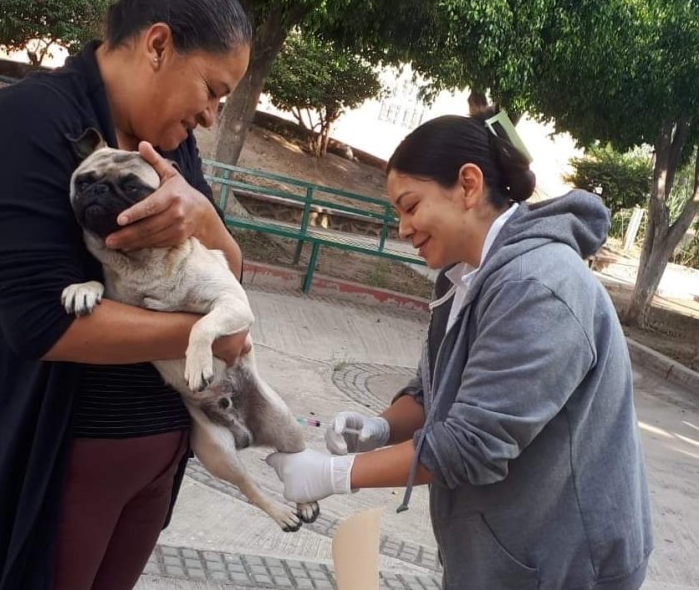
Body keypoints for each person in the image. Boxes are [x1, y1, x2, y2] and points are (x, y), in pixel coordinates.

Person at [0, 0, 252, 589]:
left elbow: (227, 271)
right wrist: (212, 336)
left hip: (151, 470)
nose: (211, 115)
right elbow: (41, 321)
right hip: (48, 469)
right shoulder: (30, 120)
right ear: (158, 45)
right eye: (212, 90)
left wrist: (205, 219)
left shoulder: (171, 146)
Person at [267, 114, 653, 589]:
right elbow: (434, 393)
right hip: (501, 553)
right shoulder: (466, 277)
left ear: (468, 185)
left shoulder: (537, 284)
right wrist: (384, 426)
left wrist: (335, 473)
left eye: (410, 206)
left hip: (561, 564)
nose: (404, 228)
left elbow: (473, 444)